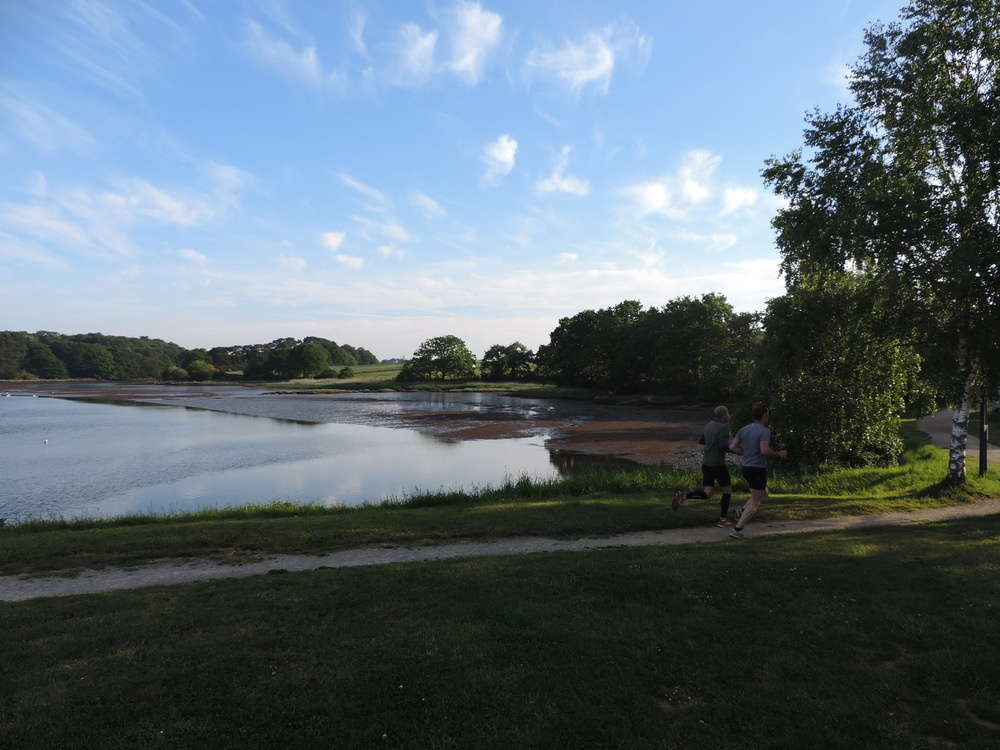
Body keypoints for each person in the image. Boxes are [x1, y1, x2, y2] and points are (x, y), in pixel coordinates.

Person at [727, 402, 788, 540]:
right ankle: (737, 530)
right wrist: (779, 454)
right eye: (768, 414)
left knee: (763, 493)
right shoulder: (764, 431)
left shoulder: (744, 429)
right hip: (757, 469)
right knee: (756, 501)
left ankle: (741, 511)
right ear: (764, 415)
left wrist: (745, 452)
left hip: (746, 468)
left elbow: (732, 447)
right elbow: (764, 450)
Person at [672, 405, 737, 527]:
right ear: (724, 415)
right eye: (728, 413)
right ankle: (723, 520)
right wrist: (736, 450)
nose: (729, 415)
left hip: (706, 463)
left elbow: (702, 441)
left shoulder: (709, 425)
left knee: (708, 493)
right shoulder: (723, 427)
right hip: (718, 464)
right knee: (727, 490)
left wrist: (713, 443)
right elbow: (723, 446)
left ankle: (684, 496)